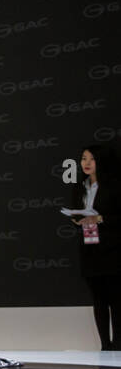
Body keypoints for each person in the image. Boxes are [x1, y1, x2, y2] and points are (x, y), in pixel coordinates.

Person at [70, 145, 121, 350]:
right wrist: (77, 220)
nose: (87, 163)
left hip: (113, 249)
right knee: (98, 299)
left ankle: (118, 344)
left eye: (92, 159)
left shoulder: (114, 186)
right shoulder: (79, 188)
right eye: (83, 159)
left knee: (116, 299)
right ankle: (105, 345)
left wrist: (99, 218)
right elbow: (76, 213)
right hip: (90, 249)